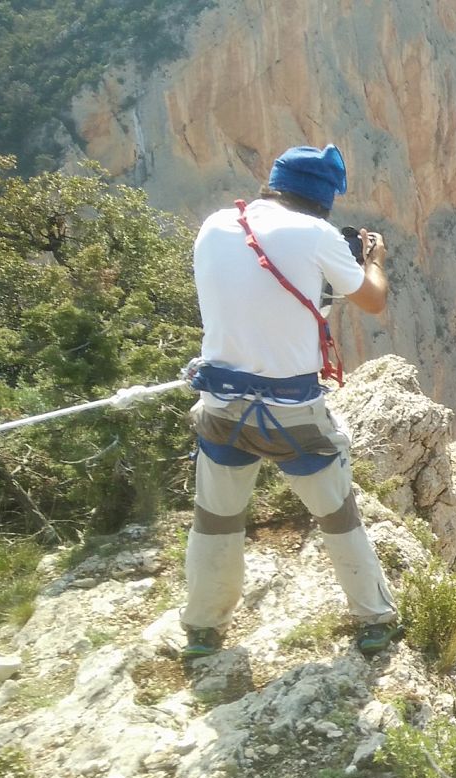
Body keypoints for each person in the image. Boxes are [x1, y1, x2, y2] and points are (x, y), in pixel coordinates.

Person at [180, 144, 402, 659]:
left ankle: (203, 630)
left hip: (221, 408)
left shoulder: (214, 225)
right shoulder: (316, 234)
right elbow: (372, 299)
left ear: (273, 184)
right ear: (324, 201)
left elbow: (256, 298)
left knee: (215, 519)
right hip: (291, 414)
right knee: (338, 515)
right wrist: (370, 261)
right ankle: (373, 620)